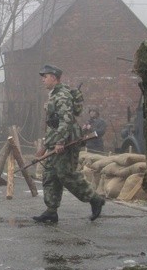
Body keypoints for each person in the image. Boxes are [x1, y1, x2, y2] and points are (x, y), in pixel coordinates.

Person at [33, 65, 105, 223]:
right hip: (57, 139)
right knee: (50, 175)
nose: (43, 79)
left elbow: (65, 120)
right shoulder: (54, 94)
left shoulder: (62, 96)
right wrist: (47, 144)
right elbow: (54, 123)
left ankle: (94, 199)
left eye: (45, 76)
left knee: (66, 174)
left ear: (54, 77)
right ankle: (51, 211)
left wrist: (60, 141)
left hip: (66, 142)